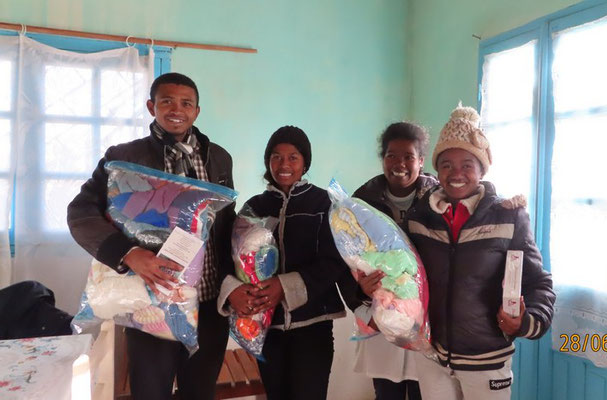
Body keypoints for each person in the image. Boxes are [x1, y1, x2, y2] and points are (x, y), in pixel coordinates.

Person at [67, 72, 235, 400]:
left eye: (186, 103)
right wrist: (127, 253)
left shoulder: (219, 158)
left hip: (210, 305)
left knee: (199, 393)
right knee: (151, 393)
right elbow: (80, 213)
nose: (177, 109)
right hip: (152, 306)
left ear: (197, 111)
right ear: (151, 106)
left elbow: (224, 223)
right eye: (167, 101)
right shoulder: (124, 158)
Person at [404, 104, 555, 399]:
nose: (456, 173)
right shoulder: (419, 217)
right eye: (446, 164)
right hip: (431, 355)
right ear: (436, 168)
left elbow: (538, 283)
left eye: (467, 164)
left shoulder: (508, 216)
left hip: (487, 360)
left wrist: (526, 321)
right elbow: (408, 276)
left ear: (482, 169)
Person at [217, 126, 351, 400]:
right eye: (276, 157)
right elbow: (233, 257)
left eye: (293, 157)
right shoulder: (253, 207)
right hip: (267, 329)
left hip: (313, 326)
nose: (284, 165)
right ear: (268, 162)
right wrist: (235, 291)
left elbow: (334, 261)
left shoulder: (325, 204)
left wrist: (284, 285)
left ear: (305, 163)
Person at [348, 122, 437, 400]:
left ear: (421, 161)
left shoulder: (438, 199)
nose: (400, 163)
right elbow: (344, 262)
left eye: (408, 156)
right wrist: (360, 292)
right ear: (383, 159)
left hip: (427, 317)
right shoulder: (362, 202)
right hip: (382, 316)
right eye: (391, 156)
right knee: (387, 392)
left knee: (425, 390)